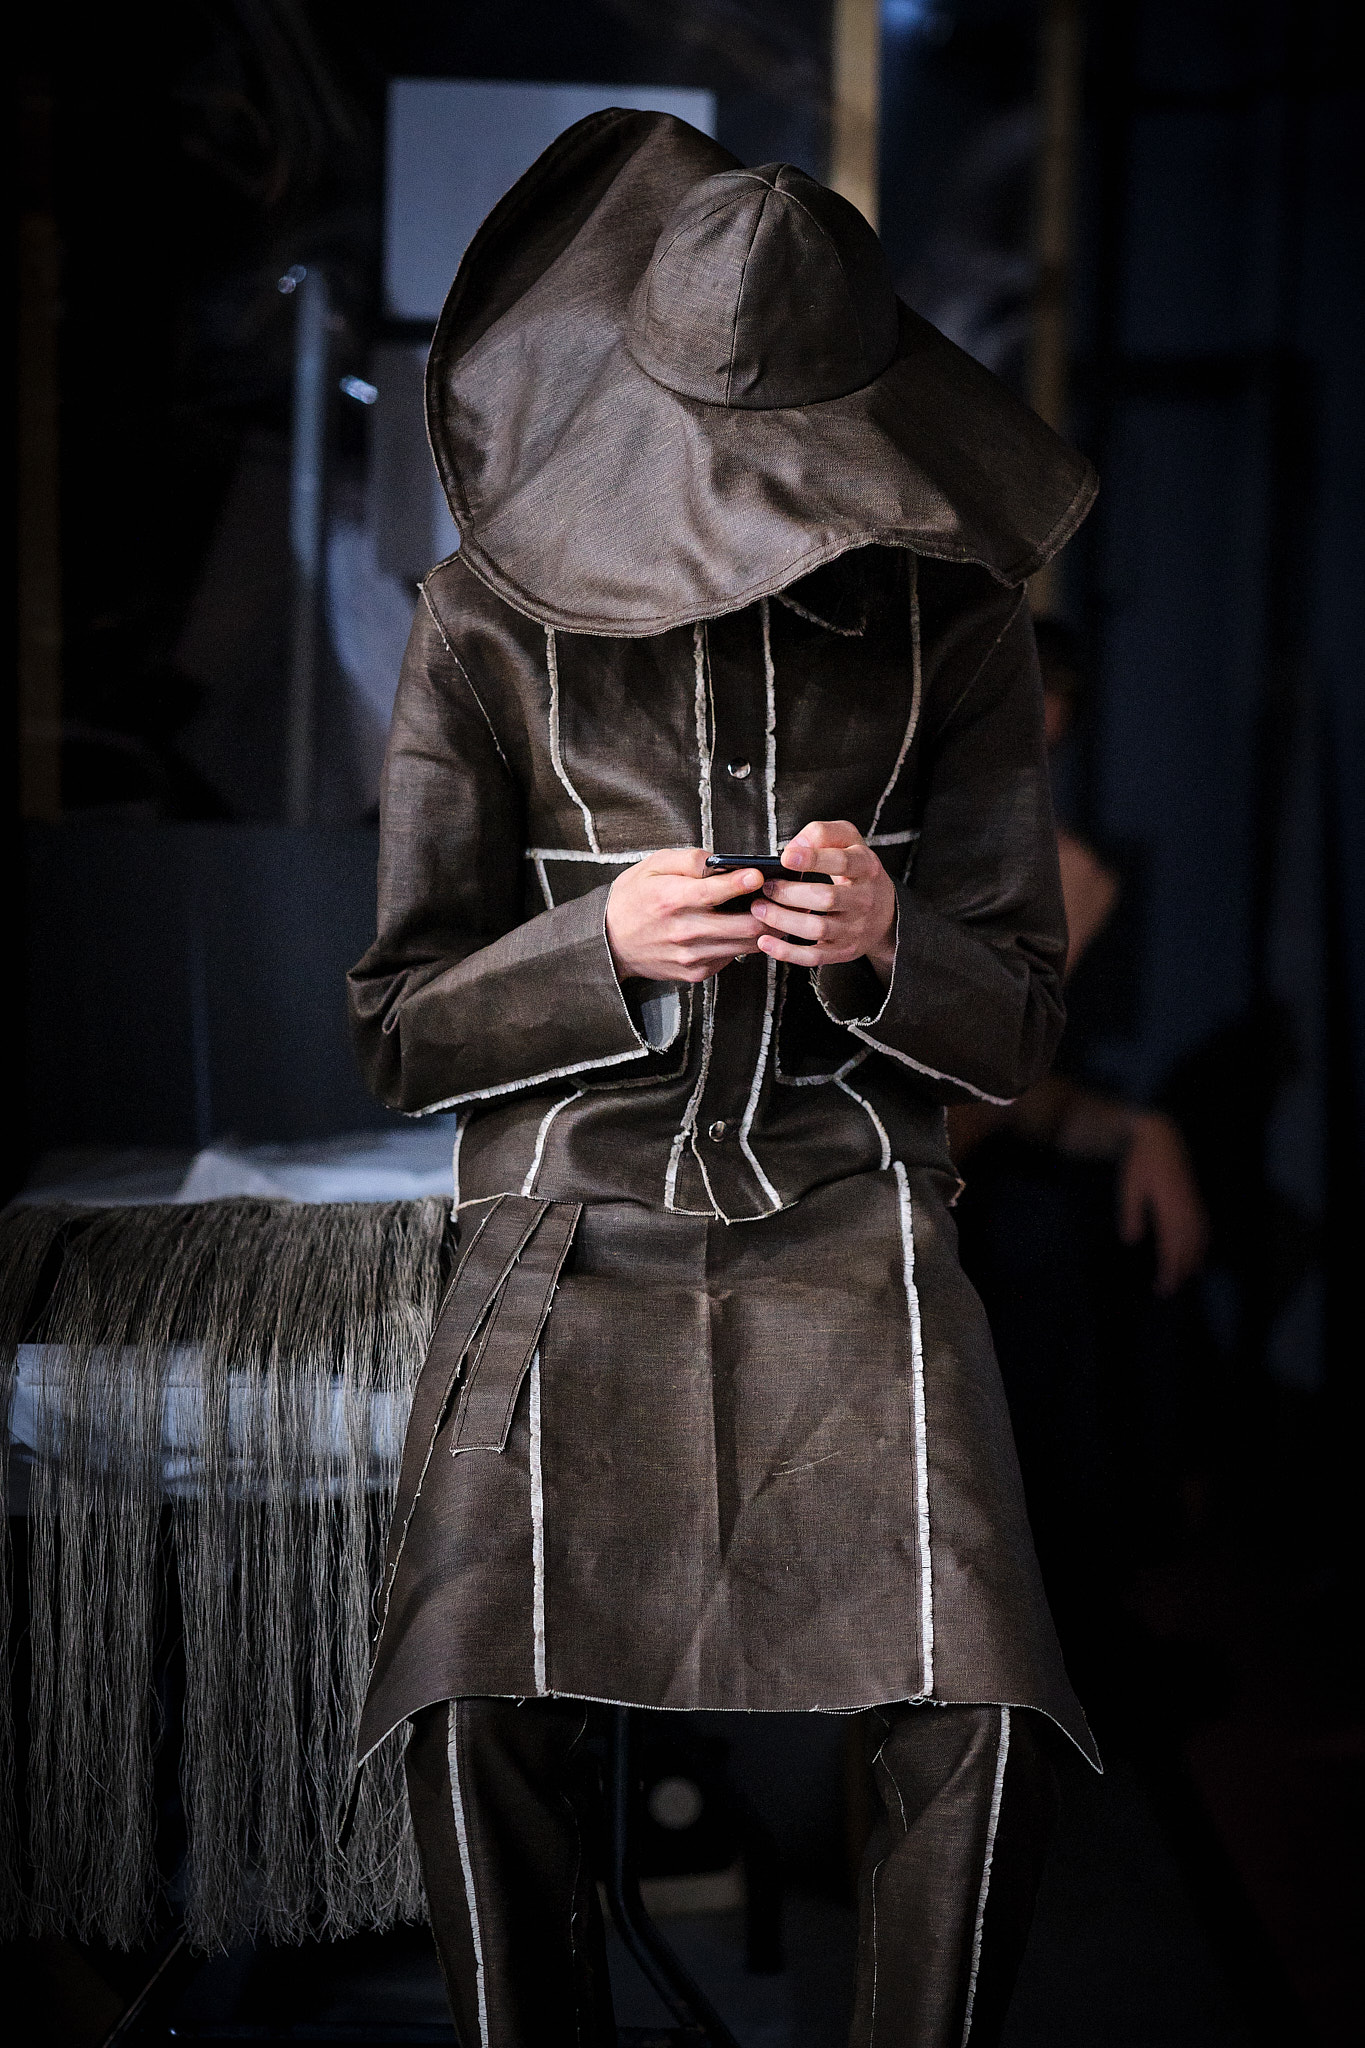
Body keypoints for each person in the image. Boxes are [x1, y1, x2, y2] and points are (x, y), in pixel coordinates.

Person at [348, 110, 1098, 2048]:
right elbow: (399, 1024)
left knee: (985, 1706)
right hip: (567, 1221)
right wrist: (594, 945)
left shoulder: (952, 624)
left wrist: (889, 941)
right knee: (467, 1695)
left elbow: (1019, 1026)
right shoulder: (482, 621)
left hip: (851, 1216)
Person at [948, 621, 1209, 1704]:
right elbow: (933, 1143)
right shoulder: (891, 870)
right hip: (876, 1208)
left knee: (1117, 1192)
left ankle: (1104, 1606)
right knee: (1040, 1239)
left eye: (1046, 756)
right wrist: (1052, 955)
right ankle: (1051, 1648)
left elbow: (1026, 1100)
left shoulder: (1028, 868)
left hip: (979, 1173)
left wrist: (1141, 1129)